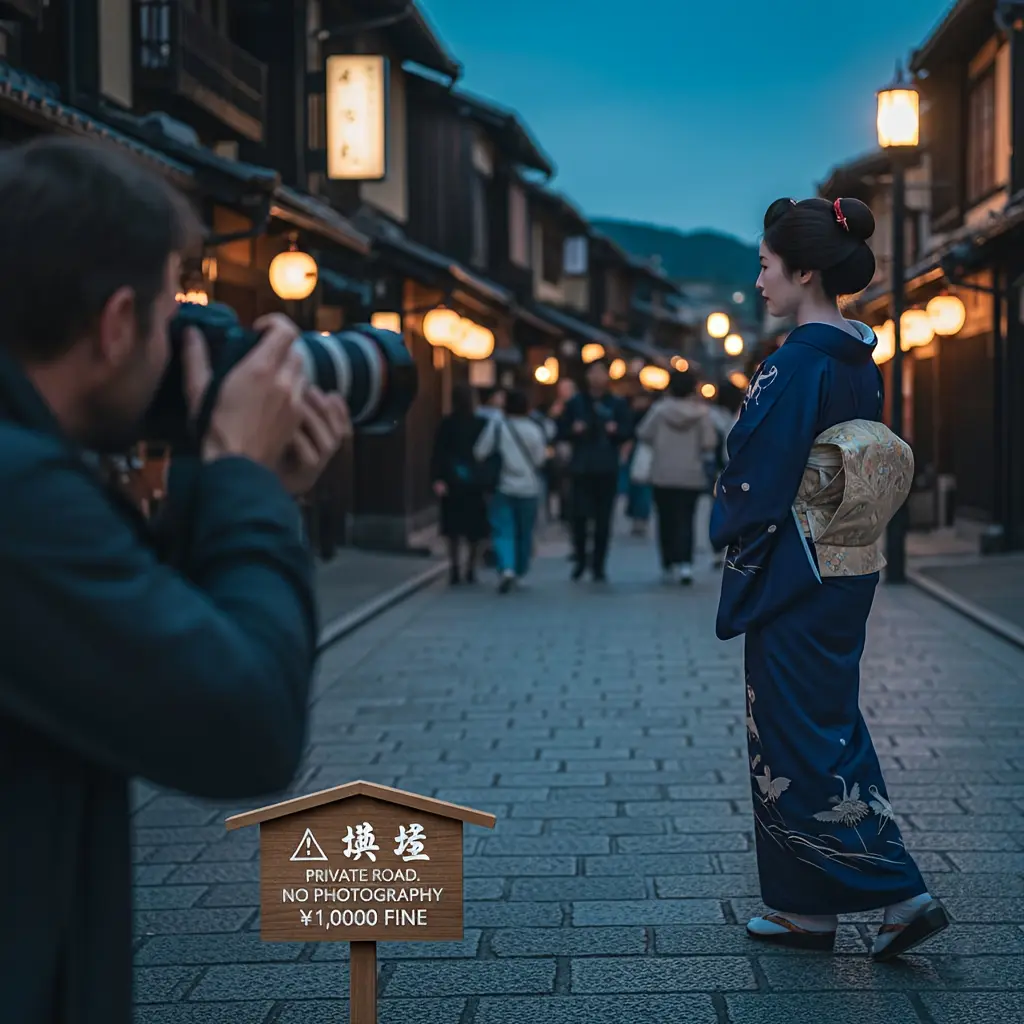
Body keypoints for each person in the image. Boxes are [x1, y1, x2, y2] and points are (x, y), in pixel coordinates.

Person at [0, 137, 351, 1023]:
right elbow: (246, 725)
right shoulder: (19, 495)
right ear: (117, 324)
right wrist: (246, 484)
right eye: (168, 317)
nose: (174, 350)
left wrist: (228, 490)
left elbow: (136, 622)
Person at [710, 196, 948, 961]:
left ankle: (899, 888)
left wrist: (734, 520)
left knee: (800, 730)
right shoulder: (854, 355)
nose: (758, 281)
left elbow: (755, 470)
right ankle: (804, 909)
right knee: (818, 720)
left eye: (766, 265)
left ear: (804, 270)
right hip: (846, 560)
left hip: (798, 566)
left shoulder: (796, 361)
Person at [636, 369, 718, 584]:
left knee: (665, 518)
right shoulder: (701, 413)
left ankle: (668, 561)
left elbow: (643, 433)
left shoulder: (659, 410)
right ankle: (686, 564)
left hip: (662, 472)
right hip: (691, 474)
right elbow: (709, 442)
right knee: (686, 519)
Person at [557, 360, 632, 582]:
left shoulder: (616, 404)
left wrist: (616, 431)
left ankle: (598, 564)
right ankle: (580, 559)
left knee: (603, 520)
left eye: (601, 373)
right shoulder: (576, 403)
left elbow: (628, 431)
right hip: (581, 466)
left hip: (607, 467)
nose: (597, 377)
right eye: (593, 372)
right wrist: (573, 430)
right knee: (578, 517)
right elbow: (561, 430)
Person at [473, 388, 548, 592]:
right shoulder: (535, 429)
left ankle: (506, 567)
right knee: (524, 531)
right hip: (529, 487)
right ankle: (519, 568)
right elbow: (541, 459)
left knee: (503, 529)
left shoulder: (498, 426)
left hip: (503, 486)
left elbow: (480, 451)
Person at [430, 383, 490, 584]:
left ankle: (455, 567)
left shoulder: (446, 424)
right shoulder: (481, 423)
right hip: (475, 482)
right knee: (475, 529)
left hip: (451, 480)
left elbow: (438, 453)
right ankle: (471, 568)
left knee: (453, 529)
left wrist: (437, 479)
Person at [708, 379, 746, 568]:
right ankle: (727, 545)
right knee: (734, 508)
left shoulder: (711, 415)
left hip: (718, 467)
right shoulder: (744, 412)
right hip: (735, 467)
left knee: (719, 506)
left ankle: (719, 546)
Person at [621, 392, 654, 536]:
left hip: (644, 453)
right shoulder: (633, 414)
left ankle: (640, 517)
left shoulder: (648, 415)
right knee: (635, 488)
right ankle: (637, 517)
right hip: (638, 453)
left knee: (641, 487)